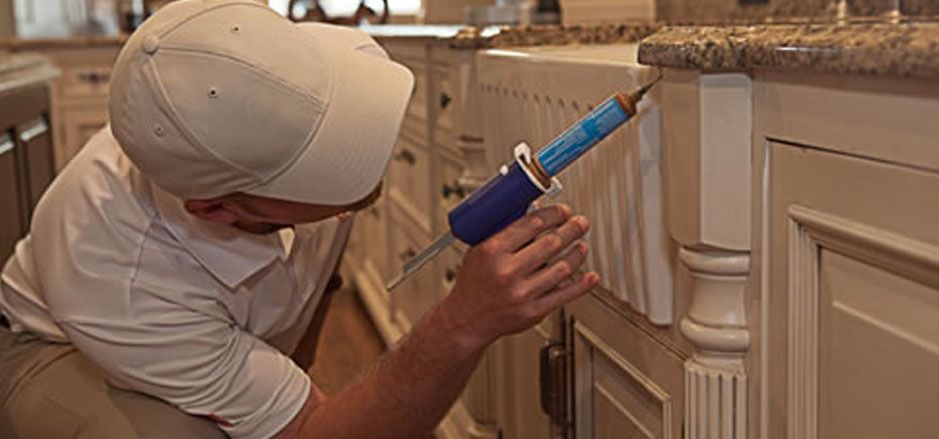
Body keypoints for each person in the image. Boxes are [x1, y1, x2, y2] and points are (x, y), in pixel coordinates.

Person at [0, 1, 598, 438]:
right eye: (329, 167)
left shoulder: (286, 83)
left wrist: (289, 388)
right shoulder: (122, 281)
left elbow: (321, 266)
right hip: (45, 342)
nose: (371, 166)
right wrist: (462, 324)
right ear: (217, 208)